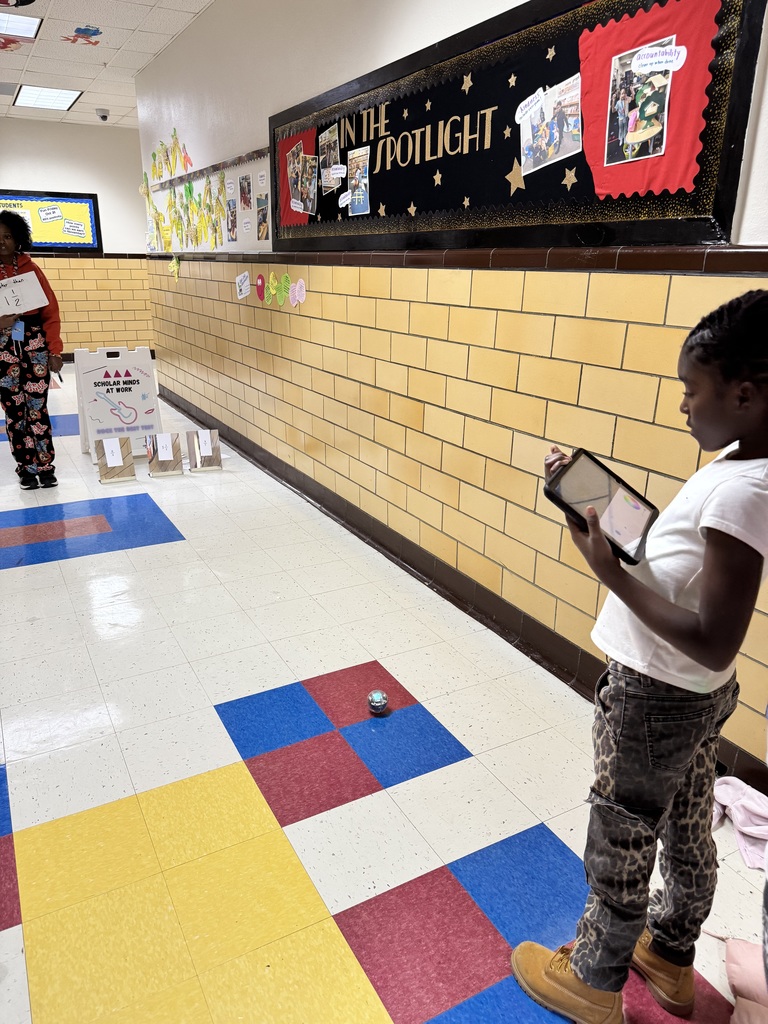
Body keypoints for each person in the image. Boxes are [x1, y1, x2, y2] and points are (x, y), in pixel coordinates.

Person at [511, 290, 768, 1024]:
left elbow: (715, 631)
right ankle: (671, 953)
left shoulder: (745, 492)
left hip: (657, 691)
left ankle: (594, 978)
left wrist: (610, 572)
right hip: (694, 695)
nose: (684, 406)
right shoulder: (745, 465)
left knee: (622, 824)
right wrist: (611, 520)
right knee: (685, 821)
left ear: (744, 394)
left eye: (695, 391)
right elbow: (682, 555)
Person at [0, 209, 63, 489]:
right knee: (14, 409)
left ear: (19, 239)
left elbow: (51, 312)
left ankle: (45, 465)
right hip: (2, 346)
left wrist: (55, 350)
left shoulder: (31, 268)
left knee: (37, 407)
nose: (2, 242)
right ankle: (25, 468)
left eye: (8, 236)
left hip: (34, 343)